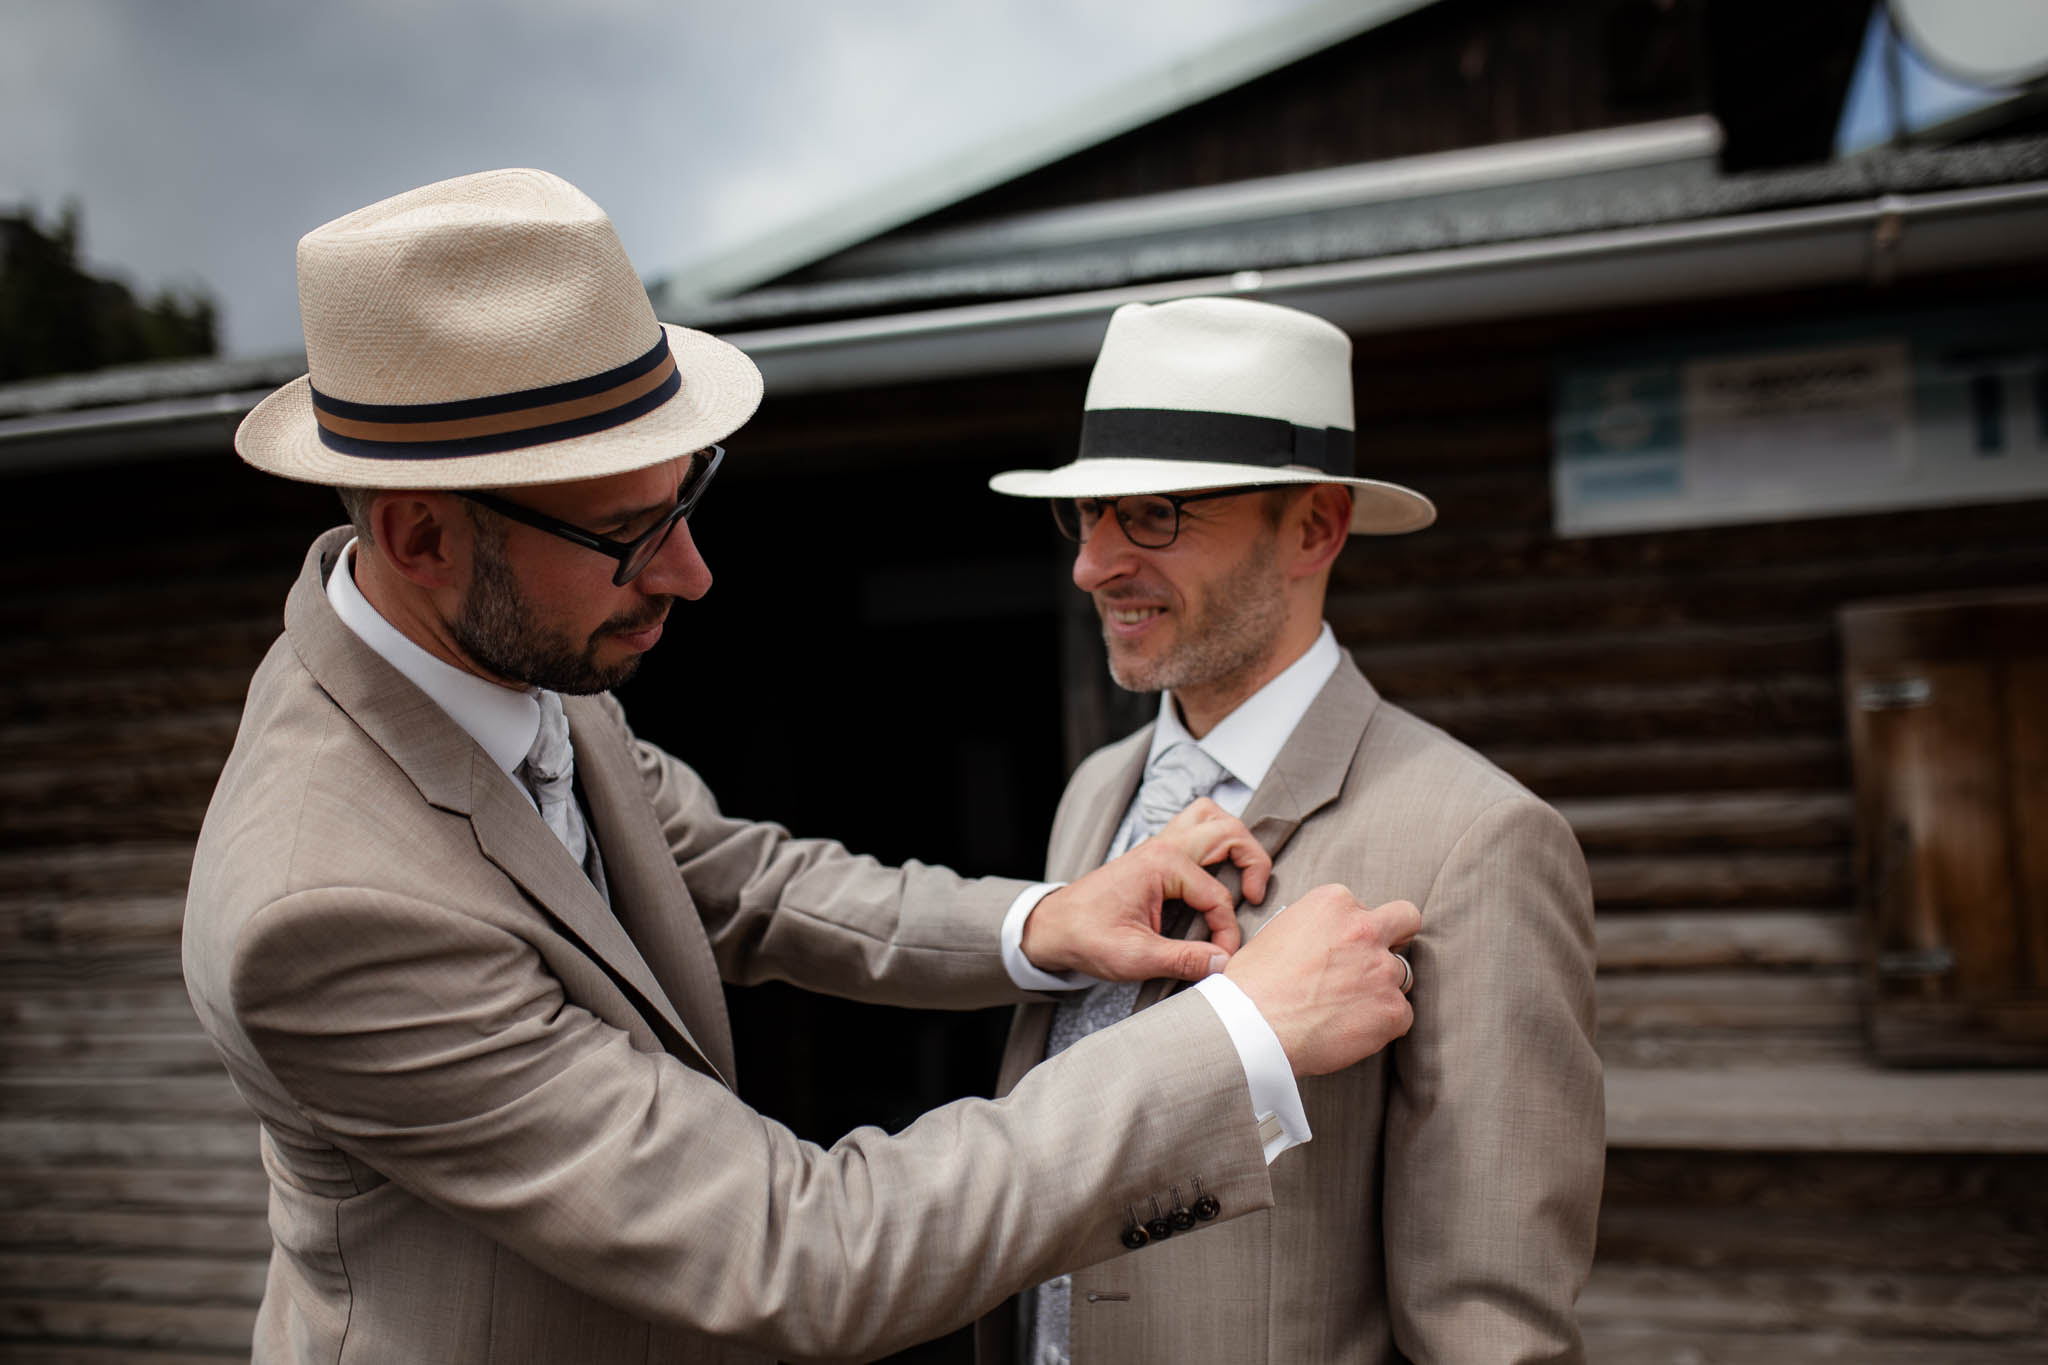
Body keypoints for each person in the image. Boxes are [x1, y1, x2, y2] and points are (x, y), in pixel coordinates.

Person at [181, 170, 1424, 1365]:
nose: (690, 573)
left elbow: (742, 883)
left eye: (687, 500)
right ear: (417, 534)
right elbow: (805, 1253)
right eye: (628, 536)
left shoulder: (503, 662)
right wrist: (1238, 1035)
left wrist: (1042, 920)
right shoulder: (326, 912)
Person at [981, 296, 1603, 1365]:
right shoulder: (1093, 790)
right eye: (1086, 515)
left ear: (1312, 527)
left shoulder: (1479, 837)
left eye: (1155, 515)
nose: (1093, 566)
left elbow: (1487, 1326)